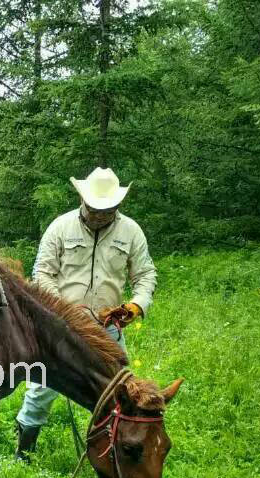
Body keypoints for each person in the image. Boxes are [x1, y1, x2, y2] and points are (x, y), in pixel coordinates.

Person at [15, 167, 157, 459]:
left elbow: (145, 274)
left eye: (107, 210)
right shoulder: (60, 227)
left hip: (108, 327)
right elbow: (42, 273)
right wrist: (63, 311)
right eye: (95, 209)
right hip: (62, 327)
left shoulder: (131, 231)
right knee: (43, 387)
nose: (100, 215)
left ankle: (116, 449)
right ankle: (23, 450)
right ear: (83, 200)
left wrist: (136, 305)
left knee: (120, 390)